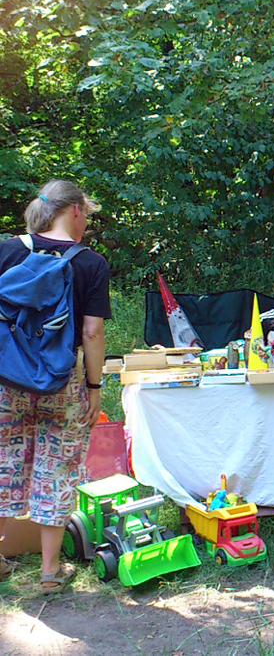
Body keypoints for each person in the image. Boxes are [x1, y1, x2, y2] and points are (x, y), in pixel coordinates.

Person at [0, 180, 112, 592]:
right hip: (60, 384)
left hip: (4, 381)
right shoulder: (90, 263)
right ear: (76, 211)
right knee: (56, 466)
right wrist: (94, 386)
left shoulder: (6, 249)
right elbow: (93, 332)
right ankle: (49, 571)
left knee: (3, 462)